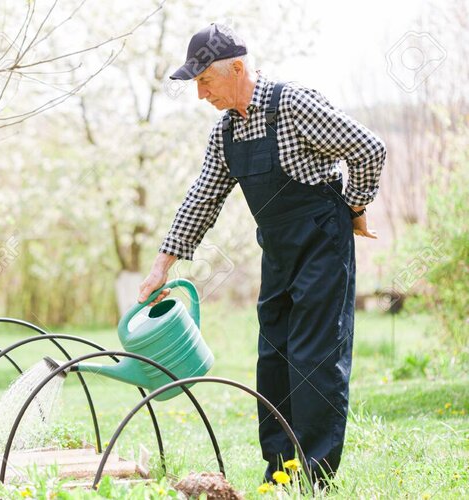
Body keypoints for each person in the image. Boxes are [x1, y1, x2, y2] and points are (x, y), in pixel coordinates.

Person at [138, 23, 387, 488]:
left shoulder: (293, 104)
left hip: (322, 244)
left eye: (204, 81)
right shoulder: (225, 132)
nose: (199, 95)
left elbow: (368, 148)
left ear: (236, 68)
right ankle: (280, 472)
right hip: (277, 252)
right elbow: (203, 197)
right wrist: (162, 264)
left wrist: (355, 203)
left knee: (313, 357)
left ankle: (316, 479)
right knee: (272, 358)